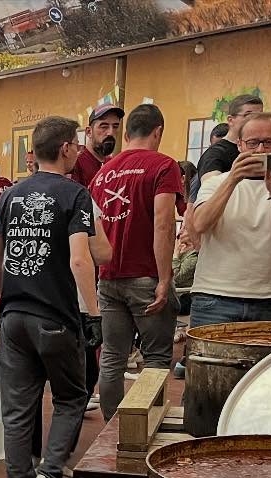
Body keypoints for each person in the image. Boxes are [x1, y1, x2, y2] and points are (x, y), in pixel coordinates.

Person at [0, 115, 101, 478]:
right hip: (56, 317)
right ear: (68, 148)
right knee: (72, 397)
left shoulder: (10, 196)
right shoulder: (75, 195)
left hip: (14, 316)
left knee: (17, 408)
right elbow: (80, 258)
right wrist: (94, 313)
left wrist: (14, 297)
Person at [90, 103, 184, 419]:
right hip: (145, 274)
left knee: (113, 357)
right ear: (158, 132)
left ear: (127, 134)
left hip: (108, 277)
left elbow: (94, 227)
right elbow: (163, 223)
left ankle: (111, 431)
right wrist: (164, 277)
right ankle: (145, 427)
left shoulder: (102, 173)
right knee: (156, 357)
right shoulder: (164, 166)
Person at [188, 113, 271, 326]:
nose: (260, 150)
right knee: (205, 359)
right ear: (240, 145)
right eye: (253, 143)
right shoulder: (215, 183)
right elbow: (200, 224)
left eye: (268, 142)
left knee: (259, 361)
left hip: (266, 298)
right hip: (213, 295)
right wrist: (233, 179)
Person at [193, 94, 264, 199]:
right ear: (230, 120)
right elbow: (212, 192)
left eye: (260, 117)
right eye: (248, 116)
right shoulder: (214, 154)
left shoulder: (261, 148)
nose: (255, 121)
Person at [70, 105, 123, 189]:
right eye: (104, 126)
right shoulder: (75, 163)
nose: (111, 132)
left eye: (115, 126)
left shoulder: (114, 164)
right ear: (89, 132)